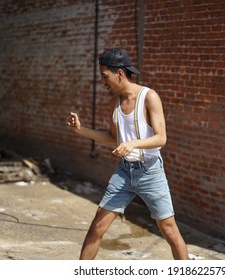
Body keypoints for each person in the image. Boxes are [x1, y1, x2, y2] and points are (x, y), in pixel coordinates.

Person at [68, 48, 188, 260]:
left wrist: (133, 144)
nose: (103, 81)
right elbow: (114, 137)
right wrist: (81, 130)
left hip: (150, 172)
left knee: (169, 230)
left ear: (120, 74)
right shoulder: (115, 103)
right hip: (124, 172)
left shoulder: (149, 97)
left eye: (105, 76)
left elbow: (161, 138)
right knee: (97, 226)